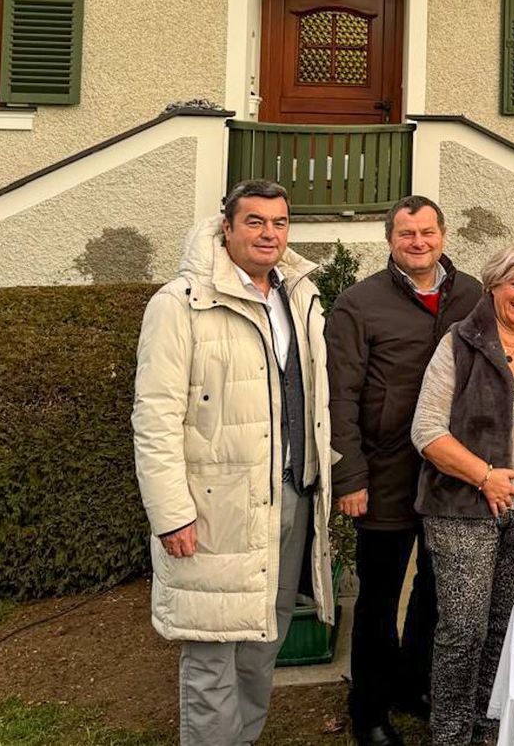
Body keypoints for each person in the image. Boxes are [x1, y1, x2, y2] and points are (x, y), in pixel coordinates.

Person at [132, 180, 333, 746]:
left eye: (279, 222)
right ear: (227, 228)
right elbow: (155, 418)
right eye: (255, 222)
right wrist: (171, 514)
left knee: (261, 644)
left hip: (290, 495)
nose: (269, 233)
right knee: (212, 658)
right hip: (213, 509)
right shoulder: (180, 303)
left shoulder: (298, 295)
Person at [326, 195, 483, 746]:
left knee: (436, 593)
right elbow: (339, 397)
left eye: (427, 232)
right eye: (406, 234)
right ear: (390, 240)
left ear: (443, 235)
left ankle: (412, 682)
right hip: (384, 473)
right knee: (378, 596)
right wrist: (349, 478)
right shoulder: (358, 303)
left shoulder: (472, 296)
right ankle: (367, 708)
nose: (418, 242)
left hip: (451, 474)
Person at [413, 246, 514, 746]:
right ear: (494, 285)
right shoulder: (461, 343)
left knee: (507, 630)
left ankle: (490, 729)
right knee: (464, 630)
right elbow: (426, 430)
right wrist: (484, 476)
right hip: (463, 509)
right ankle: (449, 734)